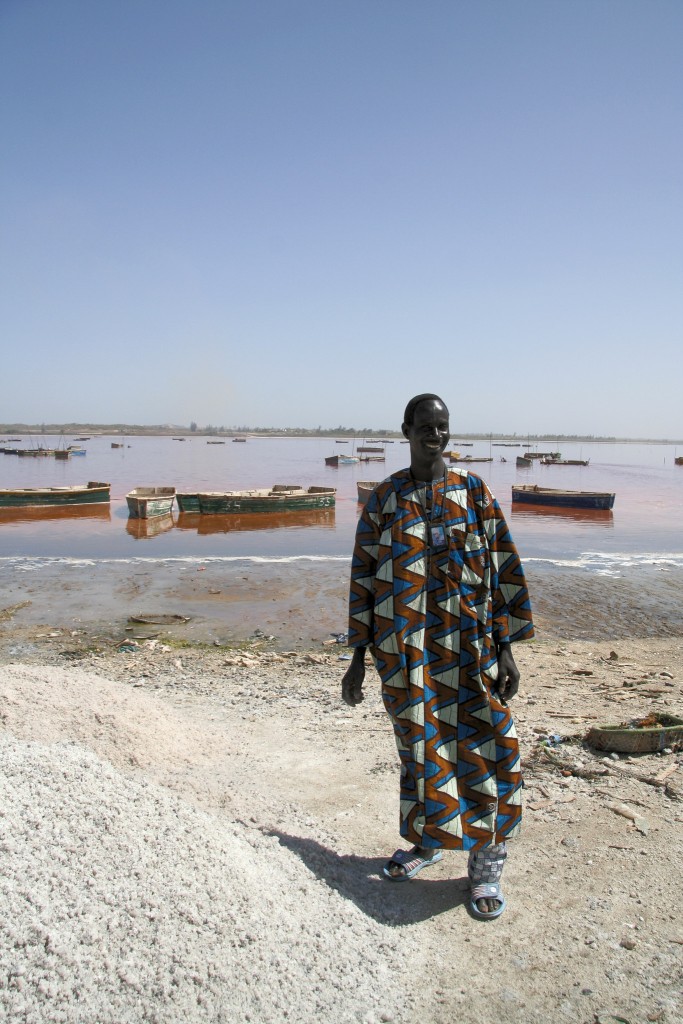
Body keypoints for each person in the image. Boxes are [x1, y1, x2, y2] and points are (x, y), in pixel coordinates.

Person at [342, 394, 534, 919]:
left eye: (442, 425)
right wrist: (357, 657)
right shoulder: (385, 498)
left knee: (489, 746)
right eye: (425, 425)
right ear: (405, 430)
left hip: (471, 651)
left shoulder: (474, 492)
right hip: (405, 653)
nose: (435, 434)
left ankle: (486, 864)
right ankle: (427, 842)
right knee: (418, 747)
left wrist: (507, 650)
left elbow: (504, 568)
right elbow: (363, 577)